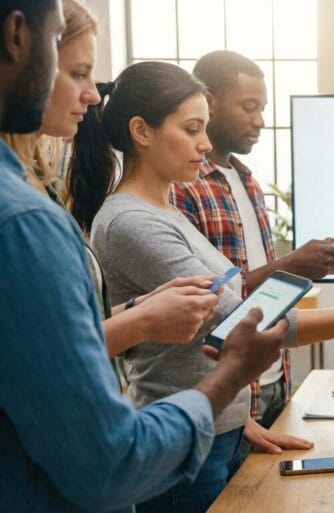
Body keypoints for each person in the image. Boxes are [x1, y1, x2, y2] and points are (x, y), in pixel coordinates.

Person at [69, 61, 334, 513]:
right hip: (184, 448)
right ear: (142, 131)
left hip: (215, 430)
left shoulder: (166, 212)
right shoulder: (132, 222)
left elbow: (210, 336)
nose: (205, 144)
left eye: (205, 129)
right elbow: (246, 326)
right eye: (191, 130)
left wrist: (234, 415)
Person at [0, 2, 287, 511]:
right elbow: (107, 463)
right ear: (17, 37)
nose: (93, 94)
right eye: (78, 72)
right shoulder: (27, 221)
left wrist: (135, 318)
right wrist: (229, 376)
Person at [0, 0, 218, 359]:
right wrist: (142, 322)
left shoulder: (41, 182)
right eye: (76, 73)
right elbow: (41, 354)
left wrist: (139, 311)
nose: (92, 93)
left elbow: (68, 329)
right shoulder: (23, 208)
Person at [171, 50, 334, 441]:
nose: (260, 121)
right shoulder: (183, 187)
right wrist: (295, 264)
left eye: (263, 108)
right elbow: (213, 299)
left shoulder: (247, 180)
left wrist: (303, 266)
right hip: (222, 395)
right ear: (210, 103)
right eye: (249, 107)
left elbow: (262, 292)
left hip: (272, 383)